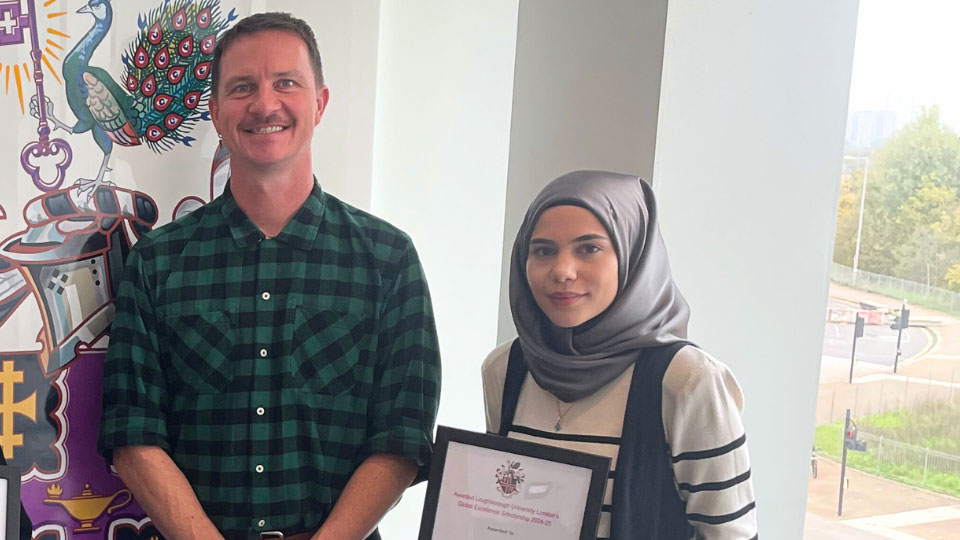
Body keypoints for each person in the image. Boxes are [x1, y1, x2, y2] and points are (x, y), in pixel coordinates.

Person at [98, 12, 441, 540]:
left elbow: (402, 436)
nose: (264, 104)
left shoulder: (388, 259)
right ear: (214, 112)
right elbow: (133, 433)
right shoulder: (157, 262)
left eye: (287, 83)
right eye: (242, 87)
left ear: (320, 103)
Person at [482, 170, 757, 539]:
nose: (562, 271)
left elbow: (730, 534)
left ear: (633, 254)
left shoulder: (687, 381)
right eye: (544, 250)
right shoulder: (507, 368)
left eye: (588, 248)